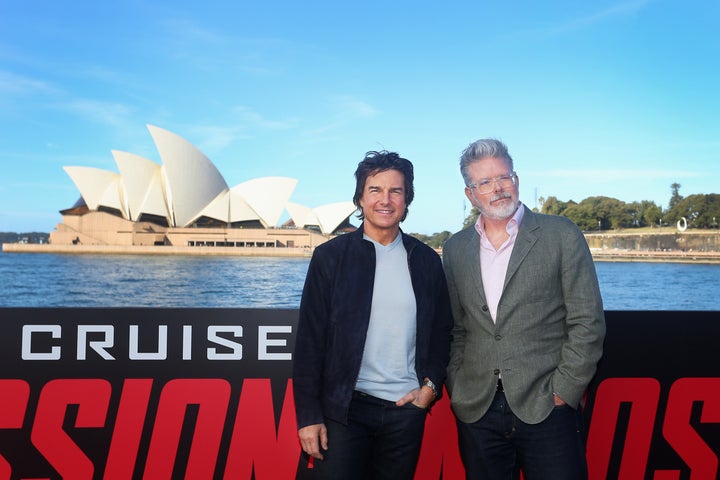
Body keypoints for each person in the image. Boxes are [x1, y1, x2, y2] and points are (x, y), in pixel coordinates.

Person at [442, 138, 606, 480]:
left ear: (515, 180)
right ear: (470, 194)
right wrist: (458, 386)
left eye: (503, 176)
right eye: (484, 182)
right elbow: (457, 328)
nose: (498, 188)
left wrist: (565, 390)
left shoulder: (561, 234)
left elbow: (586, 320)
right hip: (478, 409)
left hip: (547, 406)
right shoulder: (455, 248)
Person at [292, 150, 453, 480]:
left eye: (396, 191)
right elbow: (310, 340)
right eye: (375, 190)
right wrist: (308, 415)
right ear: (360, 199)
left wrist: (430, 387)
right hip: (344, 411)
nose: (386, 200)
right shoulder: (330, 258)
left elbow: (442, 332)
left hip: (405, 411)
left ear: (407, 201)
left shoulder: (426, 261)